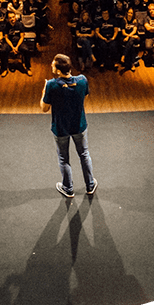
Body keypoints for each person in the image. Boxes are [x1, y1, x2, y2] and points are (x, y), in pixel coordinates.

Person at [40, 53, 97, 198]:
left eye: (53, 64)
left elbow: (44, 108)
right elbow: (85, 98)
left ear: (58, 70)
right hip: (79, 125)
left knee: (64, 158)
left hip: (61, 128)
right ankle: (90, 185)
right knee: (84, 154)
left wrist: (44, 92)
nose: (51, 66)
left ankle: (68, 188)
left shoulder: (51, 85)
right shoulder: (83, 80)